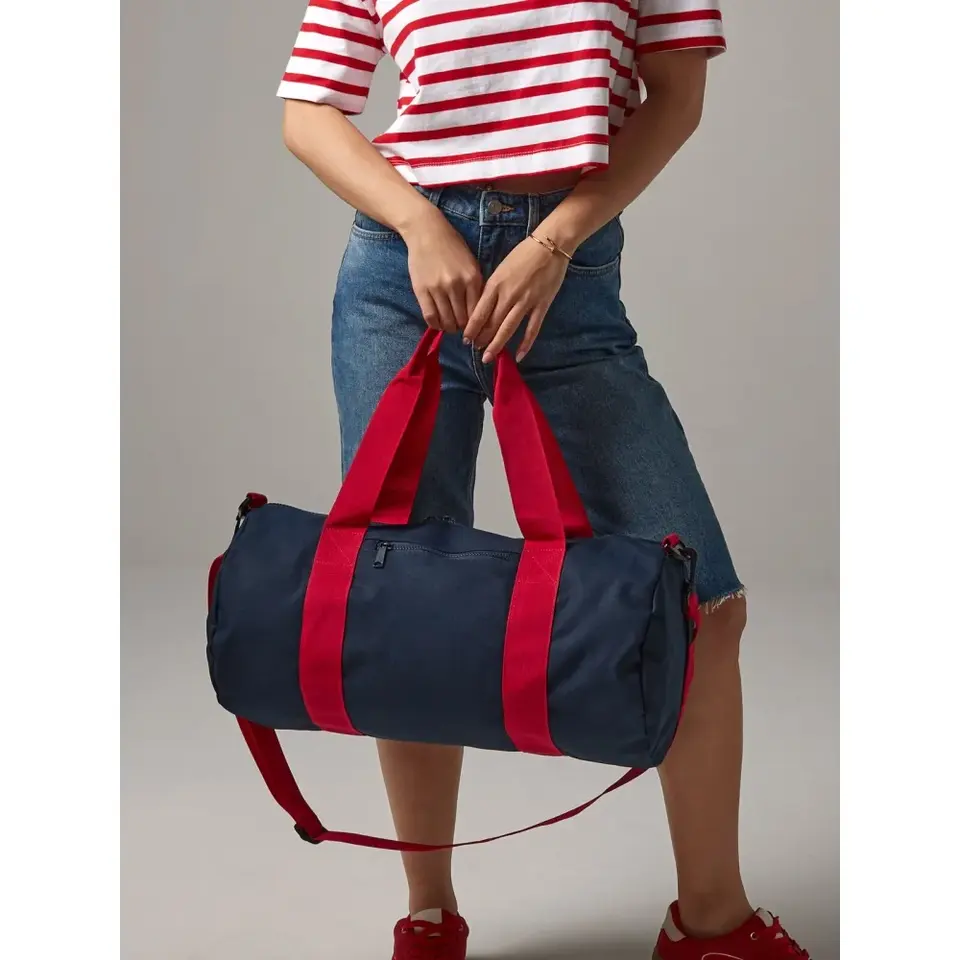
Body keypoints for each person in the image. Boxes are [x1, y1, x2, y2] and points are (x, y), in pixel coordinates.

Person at [277, 2, 808, 957]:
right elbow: (308, 110)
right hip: (403, 277)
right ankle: (429, 915)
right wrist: (418, 223)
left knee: (700, 602)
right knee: (408, 604)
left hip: (566, 278)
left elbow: (676, 96)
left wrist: (556, 240)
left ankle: (710, 922)